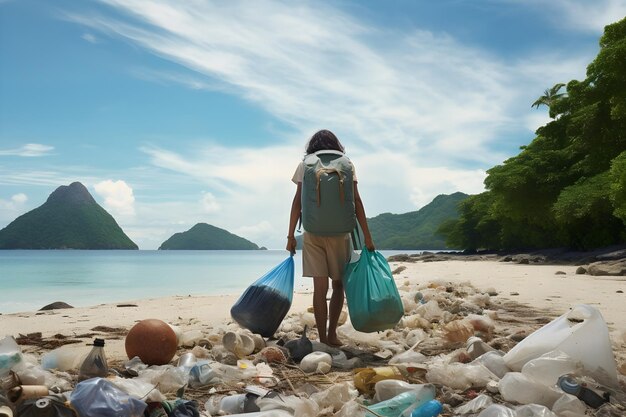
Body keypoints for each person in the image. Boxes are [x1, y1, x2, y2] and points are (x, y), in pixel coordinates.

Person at [286, 129, 375, 347]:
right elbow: (357, 201)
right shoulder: (347, 165)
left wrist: (290, 236)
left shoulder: (305, 164)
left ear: (312, 146)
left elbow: (297, 202)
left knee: (319, 288)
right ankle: (332, 335)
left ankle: (323, 339)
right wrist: (367, 237)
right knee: (338, 286)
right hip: (341, 234)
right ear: (337, 145)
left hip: (313, 233)